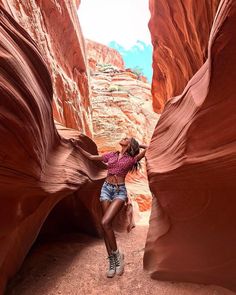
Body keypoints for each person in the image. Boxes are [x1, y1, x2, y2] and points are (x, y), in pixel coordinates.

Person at [74, 136, 147, 278]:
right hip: (106, 189)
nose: (123, 138)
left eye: (127, 138)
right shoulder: (111, 155)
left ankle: (118, 256)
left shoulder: (132, 159)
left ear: (130, 144)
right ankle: (112, 261)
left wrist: (137, 143)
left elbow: (148, 149)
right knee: (105, 227)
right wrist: (77, 147)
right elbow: (91, 157)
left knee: (105, 222)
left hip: (120, 192)